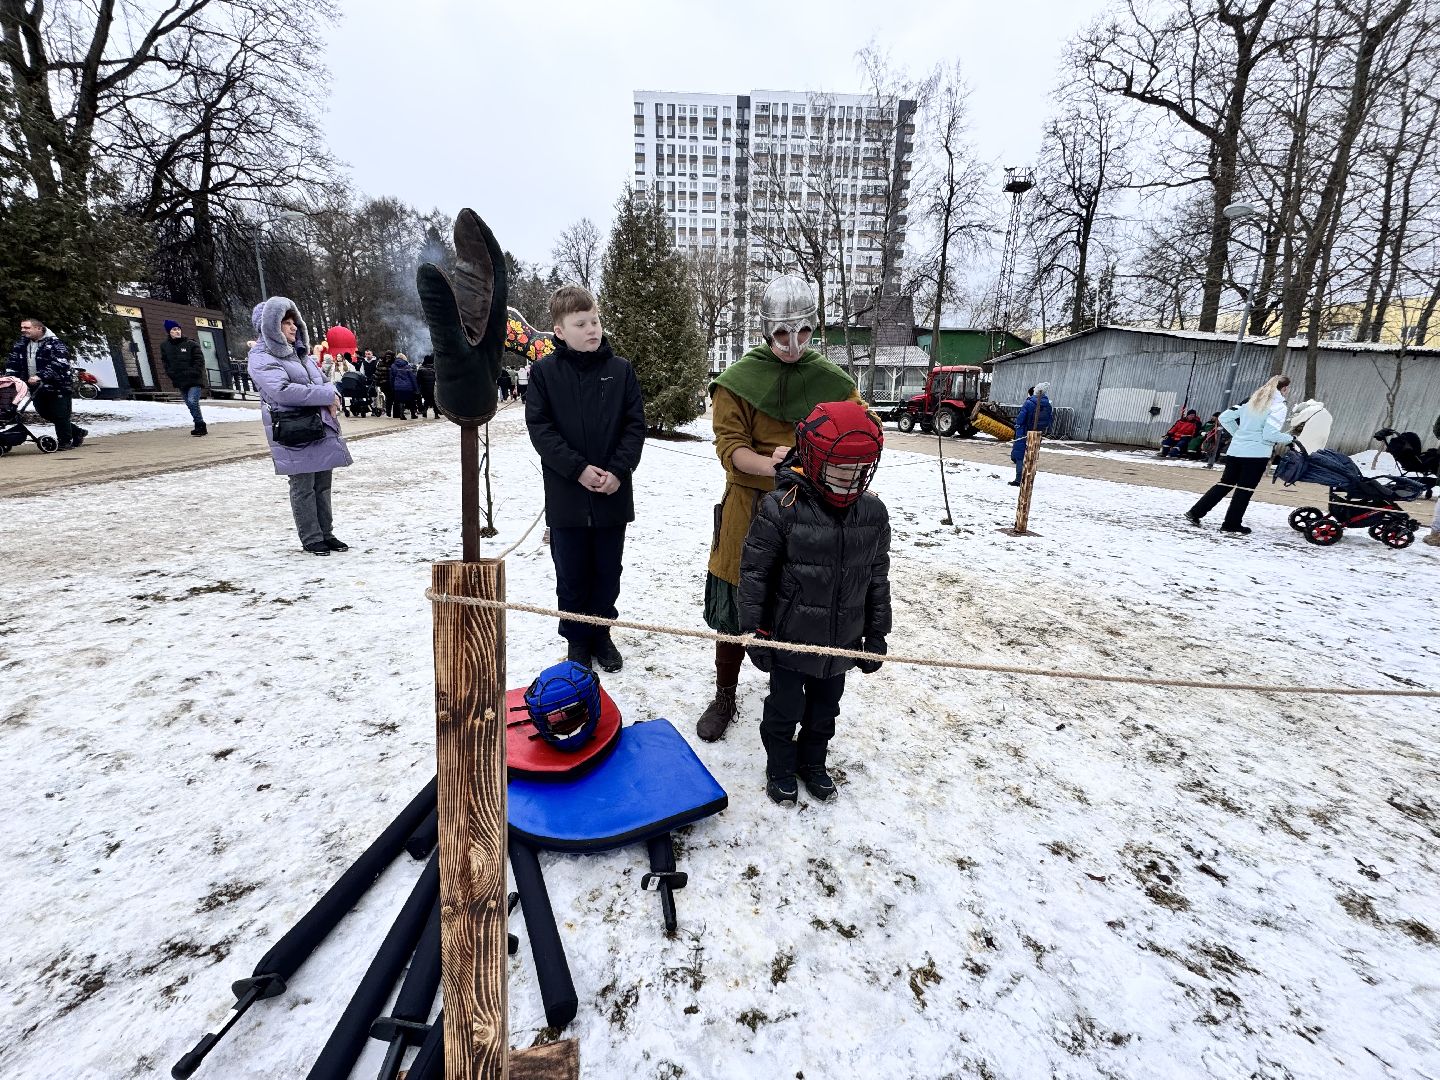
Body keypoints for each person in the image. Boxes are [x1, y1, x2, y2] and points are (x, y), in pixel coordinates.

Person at [696, 274, 860, 743]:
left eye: (803, 333)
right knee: (733, 604)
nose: (792, 345)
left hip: (810, 513)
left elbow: (855, 433)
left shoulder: (832, 382)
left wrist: (824, 466)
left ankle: (789, 701)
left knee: (796, 605)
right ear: (766, 331)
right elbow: (731, 449)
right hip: (748, 506)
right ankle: (725, 694)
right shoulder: (738, 382)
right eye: (782, 334)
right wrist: (779, 469)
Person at [739, 400, 891, 806]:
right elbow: (755, 575)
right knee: (784, 711)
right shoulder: (781, 507)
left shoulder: (873, 513)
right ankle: (781, 767)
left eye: (860, 472)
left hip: (840, 644)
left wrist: (876, 635)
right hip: (790, 642)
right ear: (813, 458)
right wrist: (756, 632)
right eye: (841, 470)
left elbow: (877, 578)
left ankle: (813, 764)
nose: (850, 481)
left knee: (825, 712)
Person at [525, 285, 646, 672]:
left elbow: (634, 426)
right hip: (567, 497)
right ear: (560, 330)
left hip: (612, 495)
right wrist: (577, 469)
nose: (592, 329)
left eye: (594, 320)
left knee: (608, 572)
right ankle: (577, 640)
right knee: (572, 572)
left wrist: (619, 470)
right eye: (581, 324)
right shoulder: (544, 373)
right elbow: (540, 429)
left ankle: (602, 634)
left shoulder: (620, 370)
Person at [247, 296, 353, 555]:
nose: (293, 327)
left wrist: (331, 392)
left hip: (317, 426)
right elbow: (282, 391)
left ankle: (326, 533)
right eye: (285, 323)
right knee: (303, 486)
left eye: (294, 322)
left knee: (322, 484)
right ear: (269, 326)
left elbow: (322, 382)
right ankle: (311, 537)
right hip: (294, 429)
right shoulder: (261, 357)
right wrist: (326, 395)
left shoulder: (300, 355)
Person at [1185, 375, 1293, 536]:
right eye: (1287, 388)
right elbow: (1270, 434)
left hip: (1235, 451)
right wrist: (1291, 438)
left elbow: (1225, 417)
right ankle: (1231, 524)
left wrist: (1238, 435)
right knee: (1244, 489)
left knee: (1225, 484)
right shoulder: (1278, 406)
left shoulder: (1252, 400)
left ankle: (1195, 512)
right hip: (1256, 454)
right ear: (1284, 389)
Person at [5, 316, 88, 449]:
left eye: (27, 327)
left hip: (58, 386)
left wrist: (40, 376)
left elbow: (59, 364)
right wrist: (9, 377)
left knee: (60, 414)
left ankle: (65, 442)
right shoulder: (22, 344)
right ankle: (77, 432)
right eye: (22, 327)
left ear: (39, 328)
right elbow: (14, 362)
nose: (23, 330)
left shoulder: (55, 343)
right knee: (44, 412)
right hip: (36, 387)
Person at [161, 319, 209, 437]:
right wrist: (171, 373)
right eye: (174, 329)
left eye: (178, 329)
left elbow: (199, 360)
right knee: (189, 403)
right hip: (180, 380)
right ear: (169, 332)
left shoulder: (191, 344)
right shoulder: (165, 346)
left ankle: (200, 425)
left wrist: (194, 371)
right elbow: (165, 362)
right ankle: (199, 424)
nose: (177, 331)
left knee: (193, 401)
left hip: (194, 379)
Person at [1009, 383, 1053, 485]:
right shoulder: (1048, 405)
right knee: (1032, 456)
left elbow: (1020, 419)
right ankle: (1029, 478)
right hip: (1038, 433)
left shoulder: (1029, 403)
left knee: (1020, 455)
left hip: (1024, 432)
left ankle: (1019, 479)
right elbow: (1049, 420)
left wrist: (1018, 426)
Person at [390, 352, 419, 419]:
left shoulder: (393, 366)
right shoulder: (407, 366)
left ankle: (401, 415)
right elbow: (412, 377)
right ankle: (413, 415)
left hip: (398, 386)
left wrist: (392, 386)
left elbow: (391, 377)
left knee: (400, 401)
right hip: (408, 387)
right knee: (411, 400)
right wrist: (416, 388)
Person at [375, 350, 394, 416]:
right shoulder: (393, 363)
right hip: (390, 383)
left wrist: (377, 382)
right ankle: (388, 411)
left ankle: (387, 410)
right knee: (390, 397)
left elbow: (377, 373)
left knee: (388, 397)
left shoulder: (380, 363)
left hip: (382, 383)